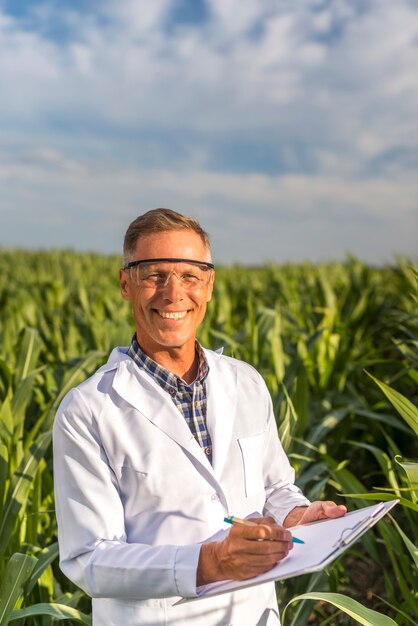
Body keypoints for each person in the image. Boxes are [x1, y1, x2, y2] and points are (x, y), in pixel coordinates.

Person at [53, 208, 346, 626]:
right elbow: (90, 560)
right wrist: (209, 563)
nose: (174, 294)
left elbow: (275, 486)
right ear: (125, 284)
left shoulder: (246, 383)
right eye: (154, 275)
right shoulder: (87, 410)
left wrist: (296, 516)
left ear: (208, 286)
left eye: (190, 276)